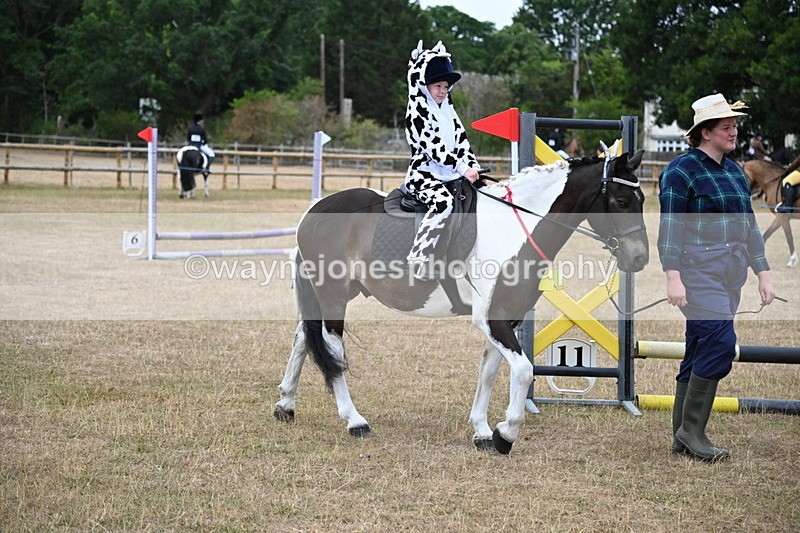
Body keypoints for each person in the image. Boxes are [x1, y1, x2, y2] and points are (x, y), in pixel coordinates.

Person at [658, 93, 775, 462]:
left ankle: (681, 435)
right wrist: (673, 277)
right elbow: (670, 228)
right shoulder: (680, 171)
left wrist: (763, 271)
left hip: (731, 271)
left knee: (700, 346)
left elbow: (749, 224)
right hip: (695, 272)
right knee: (721, 343)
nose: (734, 131)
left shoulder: (734, 170)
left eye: (734, 126)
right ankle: (693, 431)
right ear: (705, 132)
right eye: (727, 127)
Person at [403, 41, 482, 279]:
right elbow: (434, 148)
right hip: (423, 175)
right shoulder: (417, 111)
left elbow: (461, 141)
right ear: (425, 85)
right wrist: (462, 167)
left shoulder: (448, 110)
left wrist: (471, 165)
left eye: (445, 86)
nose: (442, 91)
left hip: (450, 174)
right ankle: (419, 258)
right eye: (437, 85)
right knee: (443, 203)